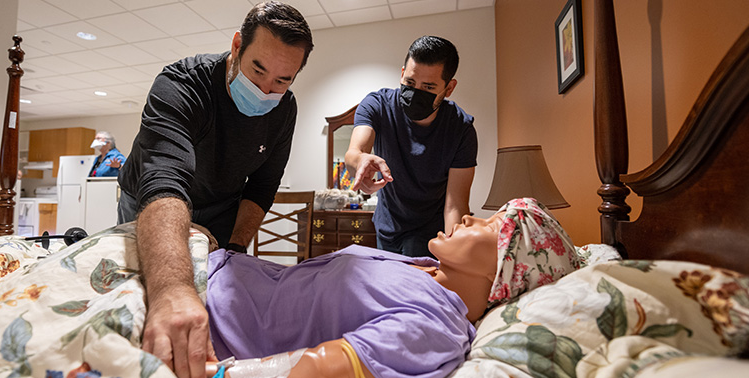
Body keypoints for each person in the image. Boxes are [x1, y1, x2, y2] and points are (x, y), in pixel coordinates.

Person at [115, 2, 314, 377]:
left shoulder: (284, 109)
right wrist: (171, 289)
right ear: (238, 45)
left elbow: (262, 185)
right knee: (149, 293)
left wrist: (235, 249)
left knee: (215, 295)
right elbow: (164, 179)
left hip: (222, 204)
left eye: (282, 81)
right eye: (257, 69)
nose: (265, 89)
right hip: (155, 198)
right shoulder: (181, 84)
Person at [199, 198, 580, 378]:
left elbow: (320, 367)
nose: (468, 217)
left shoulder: (435, 324)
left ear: (508, 268)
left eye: (492, 224)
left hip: (209, 313)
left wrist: (220, 375)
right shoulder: (423, 267)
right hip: (218, 267)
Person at [345, 36, 478, 259]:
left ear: (449, 88)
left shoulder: (461, 129)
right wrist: (360, 162)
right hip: (387, 226)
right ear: (402, 73)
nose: (416, 92)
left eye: (428, 87)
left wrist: (453, 255)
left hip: (431, 231)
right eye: (409, 83)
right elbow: (354, 152)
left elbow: (455, 205)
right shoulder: (377, 105)